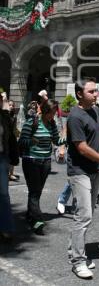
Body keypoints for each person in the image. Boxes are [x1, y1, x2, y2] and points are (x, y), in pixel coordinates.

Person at [67, 78, 99, 279]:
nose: (96, 94)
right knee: (84, 215)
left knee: (87, 215)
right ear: (80, 94)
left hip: (95, 171)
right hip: (79, 171)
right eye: (91, 92)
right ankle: (78, 261)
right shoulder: (75, 116)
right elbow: (81, 147)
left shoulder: (95, 110)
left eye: (96, 91)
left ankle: (75, 251)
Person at [19, 99, 65, 235]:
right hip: (31, 161)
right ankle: (37, 220)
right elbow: (22, 141)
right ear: (44, 111)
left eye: (54, 113)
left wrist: (68, 139)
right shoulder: (32, 122)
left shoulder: (51, 125)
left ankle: (29, 215)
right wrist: (31, 141)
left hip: (45, 162)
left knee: (37, 191)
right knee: (34, 191)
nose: (52, 116)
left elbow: (56, 141)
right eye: (51, 113)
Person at [0, 92, 19, 241]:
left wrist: (6, 104)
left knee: (4, 194)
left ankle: (6, 227)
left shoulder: (4, 117)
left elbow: (12, 132)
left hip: (2, 158)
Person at [8, 100, 20, 182]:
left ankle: (11, 174)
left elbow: (15, 128)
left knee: (13, 156)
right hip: (4, 138)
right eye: (10, 105)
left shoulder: (14, 116)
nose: (11, 106)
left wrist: (18, 133)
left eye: (12, 105)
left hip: (12, 138)